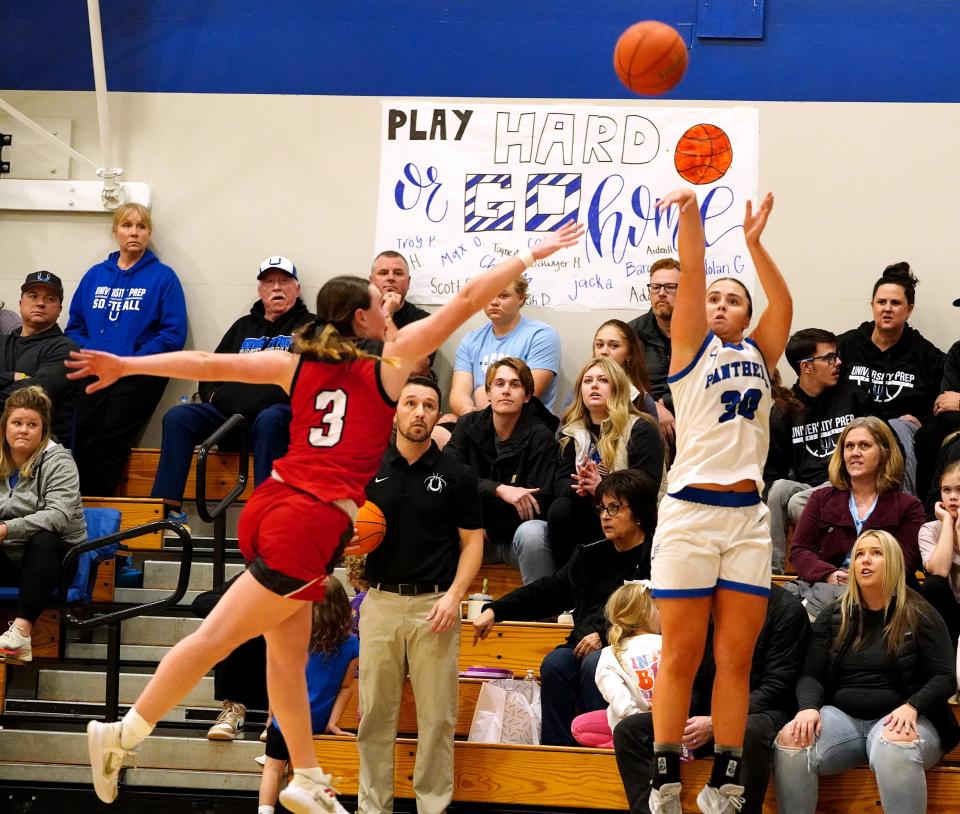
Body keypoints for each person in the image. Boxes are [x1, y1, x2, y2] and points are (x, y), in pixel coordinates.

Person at [69, 220, 583, 814]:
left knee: (286, 655)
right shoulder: (389, 369)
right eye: (377, 299)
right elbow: (468, 299)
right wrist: (529, 253)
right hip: (308, 520)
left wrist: (128, 366)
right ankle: (123, 733)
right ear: (364, 319)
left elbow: (209, 362)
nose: (386, 303)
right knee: (214, 637)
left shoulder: (297, 362)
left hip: (274, 503)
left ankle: (308, 776)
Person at [646, 188, 792, 814]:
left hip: (747, 520)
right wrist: (692, 220)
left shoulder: (760, 353)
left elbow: (783, 302)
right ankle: (663, 777)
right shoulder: (689, 351)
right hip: (689, 515)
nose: (722, 303)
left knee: (737, 658)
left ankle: (728, 778)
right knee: (683, 654)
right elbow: (695, 273)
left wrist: (755, 244)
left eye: (735, 299)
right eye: (714, 298)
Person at [357, 376, 483, 814]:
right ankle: (373, 807)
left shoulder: (456, 473)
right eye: (410, 403)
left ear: (437, 414)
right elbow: (346, 527)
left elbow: (473, 542)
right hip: (380, 603)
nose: (419, 412)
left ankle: (433, 806)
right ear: (396, 410)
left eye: (428, 405)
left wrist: (454, 596)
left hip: (436, 606)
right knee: (374, 716)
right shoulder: (368, 466)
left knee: (438, 720)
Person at [773, 530, 960, 814]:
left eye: (876, 553)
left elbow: (945, 678)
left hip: (911, 718)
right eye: (859, 554)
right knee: (791, 739)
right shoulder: (833, 615)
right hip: (843, 720)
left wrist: (913, 705)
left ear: (894, 562)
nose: (865, 561)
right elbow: (811, 674)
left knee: (894, 746)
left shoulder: (920, 613)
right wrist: (809, 708)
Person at [473, 469, 656, 746]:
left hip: (636, 649)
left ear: (639, 513)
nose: (605, 515)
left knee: (597, 662)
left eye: (615, 508)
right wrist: (496, 610)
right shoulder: (591, 556)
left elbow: (651, 614)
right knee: (556, 663)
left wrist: (604, 636)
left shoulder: (657, 556)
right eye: (602, 508)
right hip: (585, 643)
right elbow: (549, 590)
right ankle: (558, 751)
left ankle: (605, 749)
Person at [613, 585, 809, 814]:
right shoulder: (703, 603)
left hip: (765, 711)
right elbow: (693, 678)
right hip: (709, 709)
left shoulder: (787, 609)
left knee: (750, 731)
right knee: (629, 731)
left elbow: (777, 688)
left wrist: (716, 721)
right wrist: (677, 713)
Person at [150, 256, 315, 525]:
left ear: (297, 289)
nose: (277, 288)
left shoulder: (312, 328)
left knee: (272, 417)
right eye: (270, 282)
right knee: (177, 417)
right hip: (230, 421)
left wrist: (251, 399)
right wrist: (218, 397)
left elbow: (307, 380)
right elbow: (208, 371)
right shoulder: (242, 327)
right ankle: (165, 511)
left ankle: (267, 514)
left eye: (285, 281)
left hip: (277, 424)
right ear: (260, 290)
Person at [66, 203, 187, 496]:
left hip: (139, 374)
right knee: (82, 438)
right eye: (126, 225)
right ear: (115, 231)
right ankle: (78, 511)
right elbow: (74, 327)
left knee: (112, 438)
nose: (134, 232)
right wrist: (93, 353)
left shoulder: (164, 277)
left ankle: (100, 513)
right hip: (93, 371)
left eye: (141, 226)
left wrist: (130, 360)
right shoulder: (95, 275)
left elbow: (173, 334)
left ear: (149, 233)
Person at [444, 357, 559, 584]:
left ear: (527, 396)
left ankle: (538, 613)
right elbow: (448, 475)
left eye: (515, 385)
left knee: (534, 533)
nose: (506, 390)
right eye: (499, 384)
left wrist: (491, 531)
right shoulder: (468, 426)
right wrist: (498, 489)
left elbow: (539, 502)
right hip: (470, 536)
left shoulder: (540, 436)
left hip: (513, 540)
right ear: (488, 393)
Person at [764, 328, 869, 573]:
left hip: (847, 484)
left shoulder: (853, 397)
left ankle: (831, 566)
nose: (839, 362)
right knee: (779, 490)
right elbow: (772, 474)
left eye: (837, 355)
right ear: (807, 367)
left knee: (799, 501)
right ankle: (773, 574)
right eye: (830, 358)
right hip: (809, 489)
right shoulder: (785, 410)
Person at [836, 262, 944, 495]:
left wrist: (922, 420)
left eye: (896, 303)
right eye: (881, 302)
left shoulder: (927, 356)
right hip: (854, 433)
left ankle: (903, 507)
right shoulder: (846, 346)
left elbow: (942, 400)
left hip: (901, 436)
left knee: (897, 426)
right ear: (872, 305)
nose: (887, 309)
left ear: (909, 309)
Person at [789, 417, 925, 601]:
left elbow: (904, 561)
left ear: (884, 453)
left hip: (881, 594)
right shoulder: (820, 499)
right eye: (849, 446)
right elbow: (800, 550)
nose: (855, 453)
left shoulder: (908, 506)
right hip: (825, 588)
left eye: (864, 446)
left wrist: (860, 580)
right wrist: (830, 574)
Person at [546, 356, 663, 567]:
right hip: (587, 507)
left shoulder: (641, 428)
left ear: (617, 387)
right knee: (561, 508)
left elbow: (647, 485)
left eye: (603, 380)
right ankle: (567, 582)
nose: (594, 386)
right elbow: (560, 481)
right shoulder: (570, 431)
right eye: (588, 381)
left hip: (631, 513)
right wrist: (581, 484)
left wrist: (602, 487)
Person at [0, 386, 86, 662]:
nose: (23, 430)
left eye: (31, 424)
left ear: (43, 431)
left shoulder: (59, 461)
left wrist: (6, 528)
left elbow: (57, 516)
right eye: (17, 423)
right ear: (5, 427)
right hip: (9, 556)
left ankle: (22, 632)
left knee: (44, 537)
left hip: (55, 560)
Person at [258, 578, 359, 814]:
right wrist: (333, 722)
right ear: (342, 608)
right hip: (318, 721)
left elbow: (278, 677)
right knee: (306, 769)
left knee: (272, 768)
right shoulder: (352, 645)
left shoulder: (290, 637)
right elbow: (346, 688)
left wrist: (272, 712)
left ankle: (265, 811)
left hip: (286, 719)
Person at [449, 274, 561, 413]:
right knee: (437, 432)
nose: (494, 302)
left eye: (503, 296)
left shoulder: (542, 336)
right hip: (476, 419)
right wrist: (472, 420)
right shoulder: (470, 340)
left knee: (481, 393)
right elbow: (459, 395)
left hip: (526, 423)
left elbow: (527, 395)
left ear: (521, 298)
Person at [570, 580, 661, 749]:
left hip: (631, 726)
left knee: (578, 726)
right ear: (644, 613)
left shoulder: (610, 653)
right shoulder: (669, 644)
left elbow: (618, 698)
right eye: (659, 608)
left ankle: (619, 743)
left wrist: (633, 722)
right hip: (672, 723)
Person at [0, 271, 80, 442]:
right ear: (21, 303)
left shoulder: (66, 350)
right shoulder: (2, 343)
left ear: (59, 309)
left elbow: (28, 399)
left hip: (41, 452)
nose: (40, 303)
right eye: (33, 296)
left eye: (50, 298)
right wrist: (11, 377)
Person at [191, 574, 269, 742]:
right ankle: (235, 709)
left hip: (289, 655)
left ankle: (279, 717)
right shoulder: (254, 575)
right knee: (234, 625)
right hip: (251, 655)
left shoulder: (304, 577)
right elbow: (201, 602)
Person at [628, 257, 680, 444]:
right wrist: (654, 407)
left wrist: (667, 402)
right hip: (644, 419)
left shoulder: (701, 333)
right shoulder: (631, 334)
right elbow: (618, 379)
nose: (662, 293)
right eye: (656, 287)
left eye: (671, 287)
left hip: (693, 416)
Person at [369, 250, 433, 376]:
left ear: (408, 282)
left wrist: (386, 314)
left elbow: (415, 367)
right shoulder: (357, 314)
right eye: (383, 273)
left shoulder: (423, 321)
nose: (391, 278)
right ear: (371, 281)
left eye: (398, 273)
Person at [915, 323, 960, 502]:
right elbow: (946, 410)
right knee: (927, 436)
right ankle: (928, 513)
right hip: (956, 428)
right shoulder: (958, 351)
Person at [918, 460, 960, 645]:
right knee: (933, 585)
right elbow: (939, 572)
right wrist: (948, 524)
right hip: (949, 614)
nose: (952, 497)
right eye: (946, 490)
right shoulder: (930, 530)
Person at [592, 319, 658, 421]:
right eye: (600, 345)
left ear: (629, 353)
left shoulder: (641, 400)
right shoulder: (580, 392)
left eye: (614, 346)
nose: (604, 352)